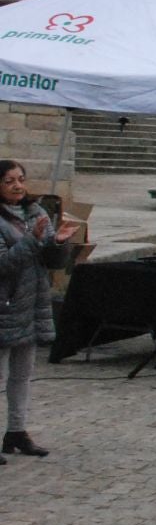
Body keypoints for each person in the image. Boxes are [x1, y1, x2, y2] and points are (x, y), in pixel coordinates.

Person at [0, 160, 75, 459]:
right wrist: (33, 241)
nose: (18, 185)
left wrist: (58, 243)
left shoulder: (36, 212)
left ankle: (16, 432)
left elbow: (52, 262)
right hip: (5, 306)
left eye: (21, 179)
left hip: (31, 305)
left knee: (22, 374)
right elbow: (3, 264)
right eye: (9, 181)